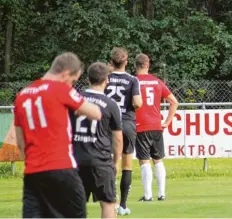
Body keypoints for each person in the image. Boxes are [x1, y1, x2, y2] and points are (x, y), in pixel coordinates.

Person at [13, 52, 102, 218]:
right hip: (61, 168)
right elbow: (96, 113)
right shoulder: (61, 89)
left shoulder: (22, 96)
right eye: (73, 80)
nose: (72, 84)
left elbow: (20, 143)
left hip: (33, 173)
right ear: (66, 73)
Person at [71, 62, 124, 218]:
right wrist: (116, 162)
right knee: (108, 203)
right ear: (107, 80)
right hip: (101, 160)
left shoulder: (74, 100)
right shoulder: (111, 105)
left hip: (76, 160)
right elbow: (118, 139)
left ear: (88, 80)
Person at [133, 53, 179, 202]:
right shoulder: (157, 82)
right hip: (156, 125)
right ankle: (162, 194)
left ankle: (148, 196)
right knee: (158, 159)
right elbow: (174, 102)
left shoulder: (133, 82)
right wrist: (167, 122)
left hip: (140, 125)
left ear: (135, 66)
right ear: (148, 65)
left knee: (144, 160)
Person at [104, 47, 143, 215]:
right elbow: (137, 103)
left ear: (112, 61)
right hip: (126, 123)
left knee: (110, 164)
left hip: (107, 124)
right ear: (126, 62)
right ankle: (123, 205)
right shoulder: (132, 80)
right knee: (127, 164)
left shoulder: (105, 78)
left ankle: (111, 202)